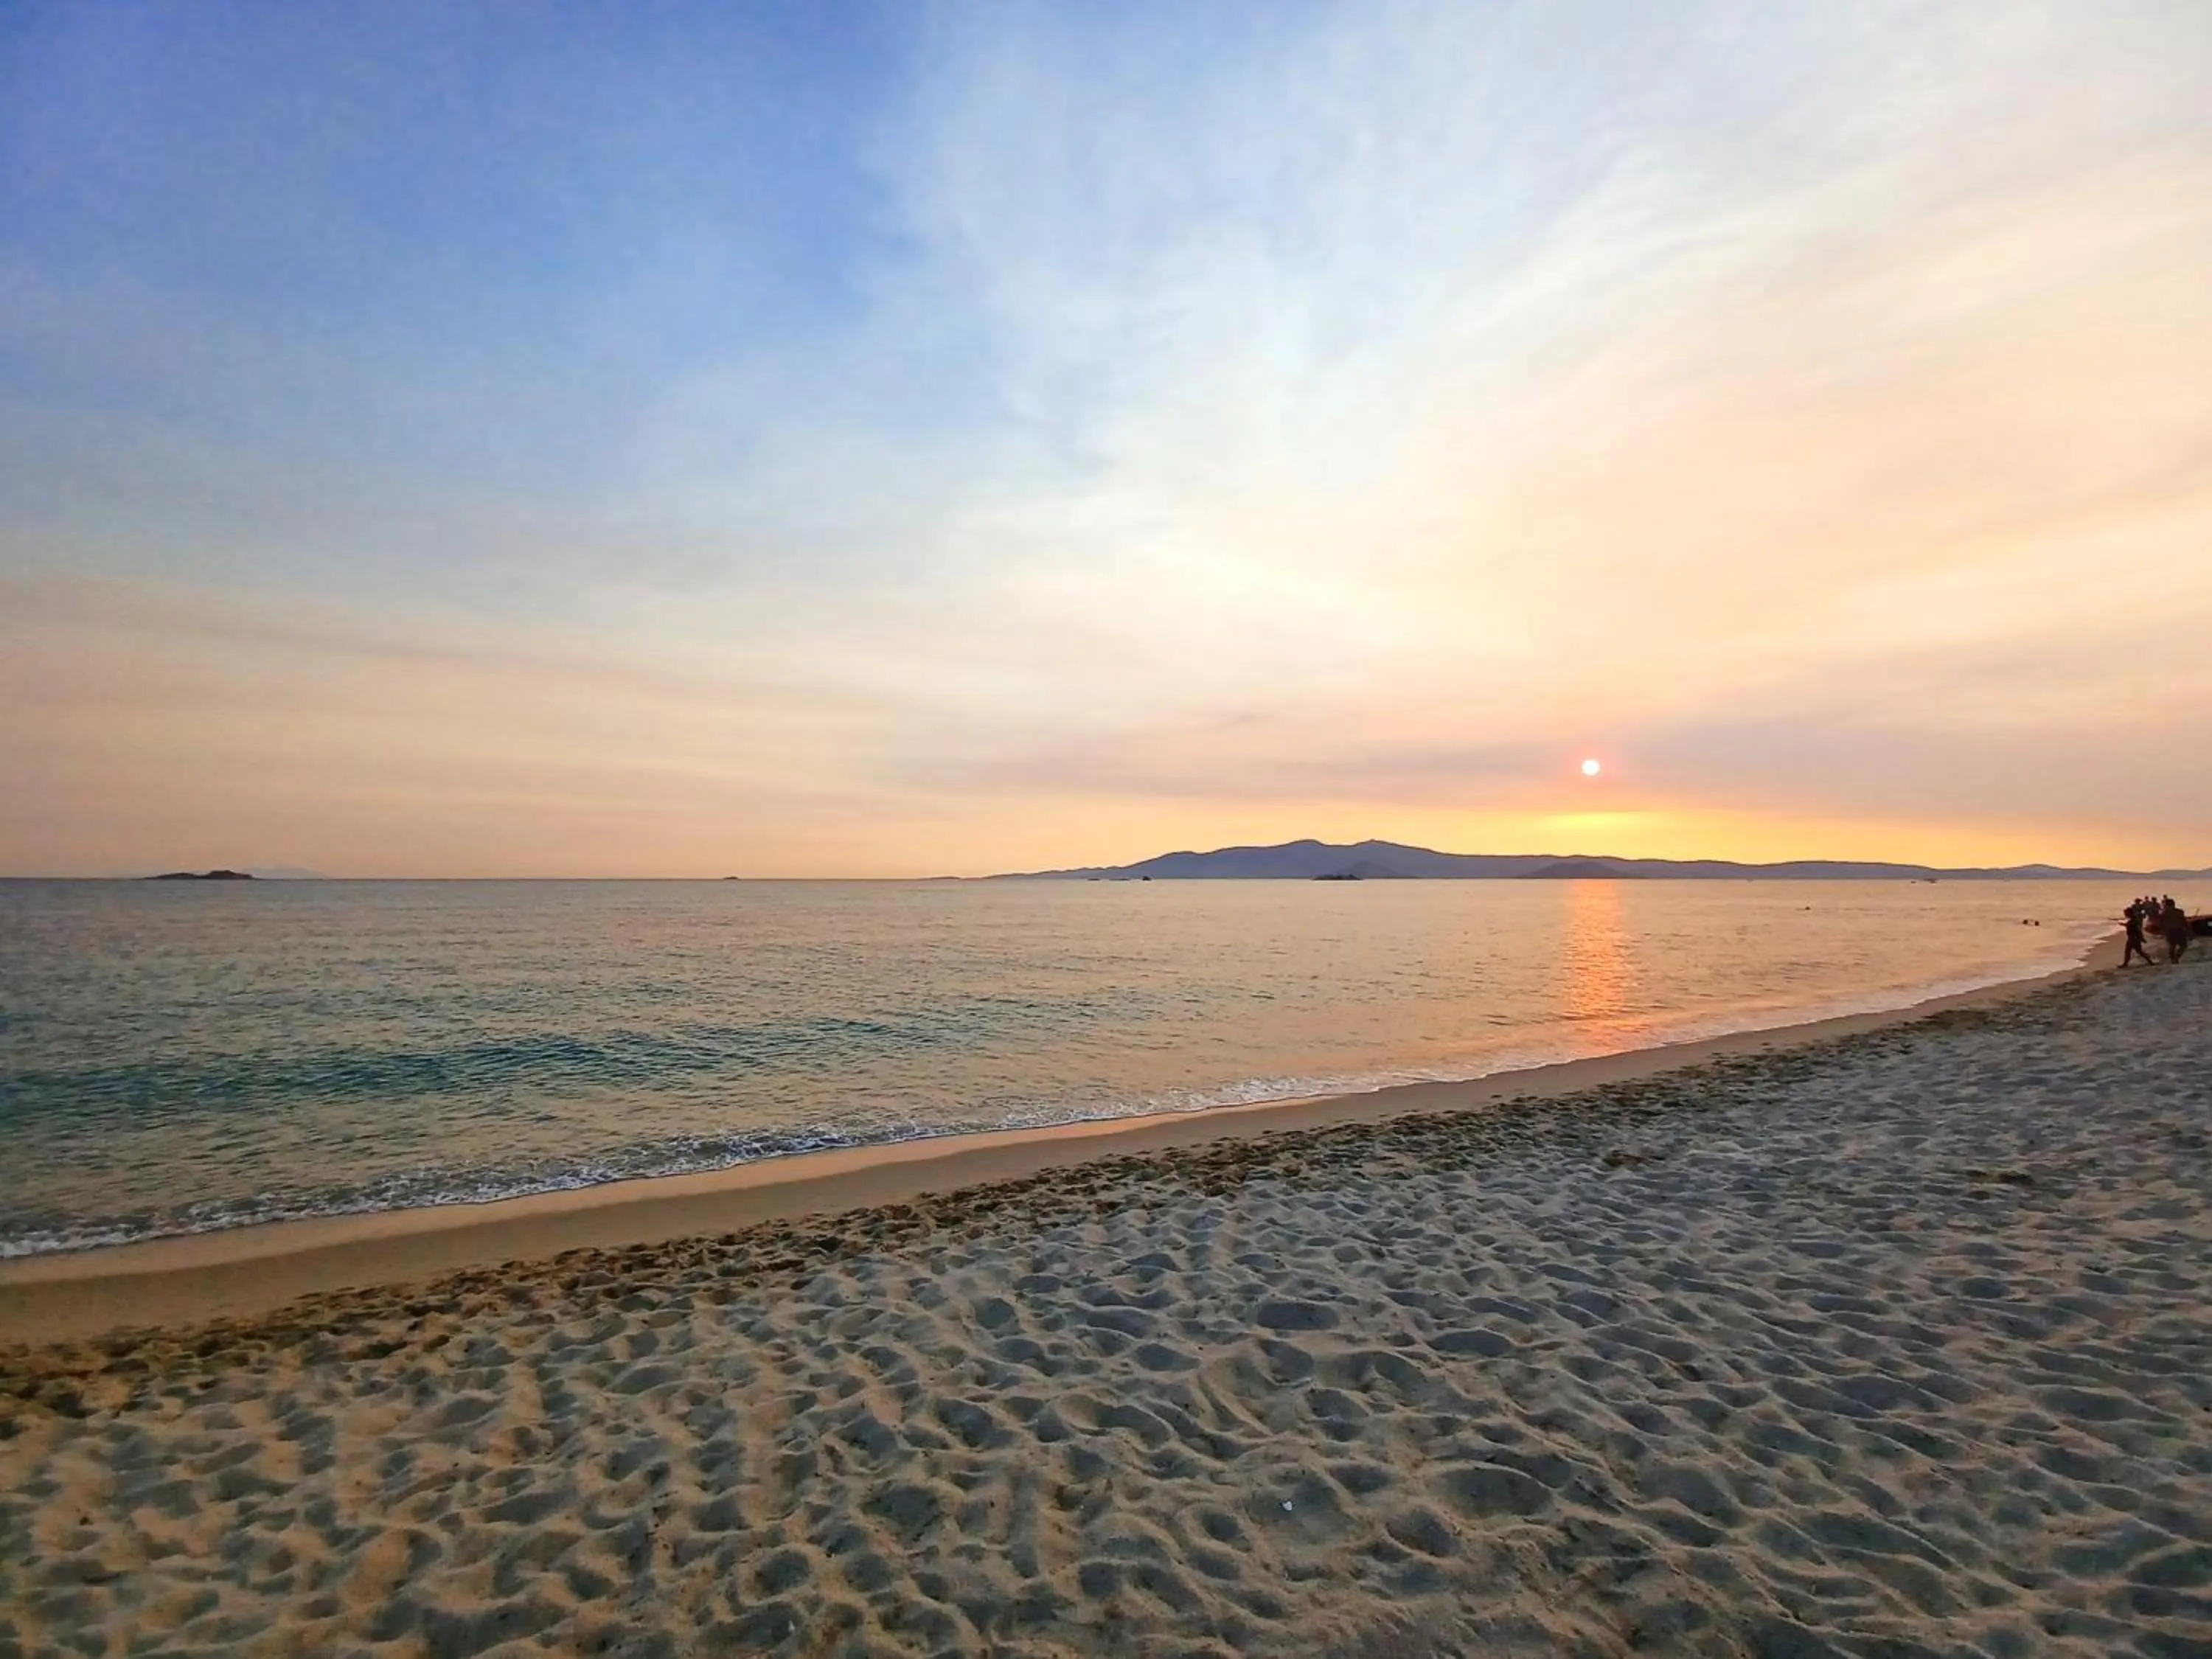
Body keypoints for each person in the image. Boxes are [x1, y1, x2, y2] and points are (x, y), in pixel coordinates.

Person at [2160, 898, 2191, 964]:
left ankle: (2173, 959)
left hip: (2170, 931)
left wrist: (2163, 931)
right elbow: (2184, 922)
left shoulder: (2164, 912)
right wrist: (2189, 931)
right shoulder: (2179, 911)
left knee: (2172, 946)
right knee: (2183, 945)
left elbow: (2161, 923)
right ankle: (2177, 956)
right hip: (2179, 930)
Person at [2124, 901, 2154, 967]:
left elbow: (2137, 929)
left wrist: (2141, 938)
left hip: (2133, 938)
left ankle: (2125, 964)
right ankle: (2150, 961)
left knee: (2130, 951)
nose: (2125, 914)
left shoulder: (2133, 920)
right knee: (2138, 952)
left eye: (2126, 913)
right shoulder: (2133, 919)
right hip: (2133, 938)